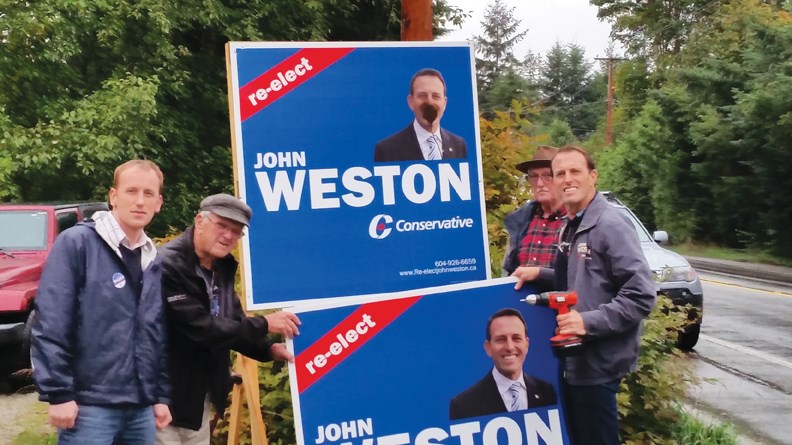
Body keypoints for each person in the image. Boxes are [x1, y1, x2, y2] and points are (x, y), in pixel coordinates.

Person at [518, 146, 656, 445]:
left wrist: (587, 322)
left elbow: (641, 294)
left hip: (598, 362)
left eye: (575, 171)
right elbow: (582, 280)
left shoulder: (610, 224)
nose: (567, 179)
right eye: (560, 174)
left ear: (593, 176)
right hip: (575, 361)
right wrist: (539, 274)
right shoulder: (572, 224)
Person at [31, 159, 171, 443]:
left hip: (140, 408)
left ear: (159, 203)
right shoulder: (78, 243)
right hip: (89, 407)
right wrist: (58, 393)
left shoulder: (152, 258)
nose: (140, 201)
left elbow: (156, 333)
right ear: (113, 196)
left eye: (148, 194)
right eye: (131, 191)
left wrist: (160, 395)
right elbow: (51, 322)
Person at [156, 193, 301, 445]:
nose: (228, 236)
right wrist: (265, 323)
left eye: (236, 231)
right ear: (200, 220)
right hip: (161, 399)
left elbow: (229, 319)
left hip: (197, 398)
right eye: (222, 226)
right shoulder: (167, 265)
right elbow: (201, 328)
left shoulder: (220, 266)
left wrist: (267, 348)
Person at [449, 308, 557, 420]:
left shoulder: (547, 392)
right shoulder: (463, 405)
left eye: (516, 338)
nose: (510, 347)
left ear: (527, 344)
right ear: (488, 347)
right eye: (501, 339)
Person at [503, 146, 566, 292]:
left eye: (547, 176)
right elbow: (508, 270)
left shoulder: (578, 220)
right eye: (533, 176)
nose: (539, 183)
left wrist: (540, 274)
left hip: (569, 309)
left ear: (562, 179)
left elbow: (586, 279)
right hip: (526, 309)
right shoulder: (521, 220)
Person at [374, 68, 467, 162]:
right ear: (411, 102)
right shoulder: (387, 150)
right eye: (422, 96)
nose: (429, 102)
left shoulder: (459, 145)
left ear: (444, 103)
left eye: (436, 96)